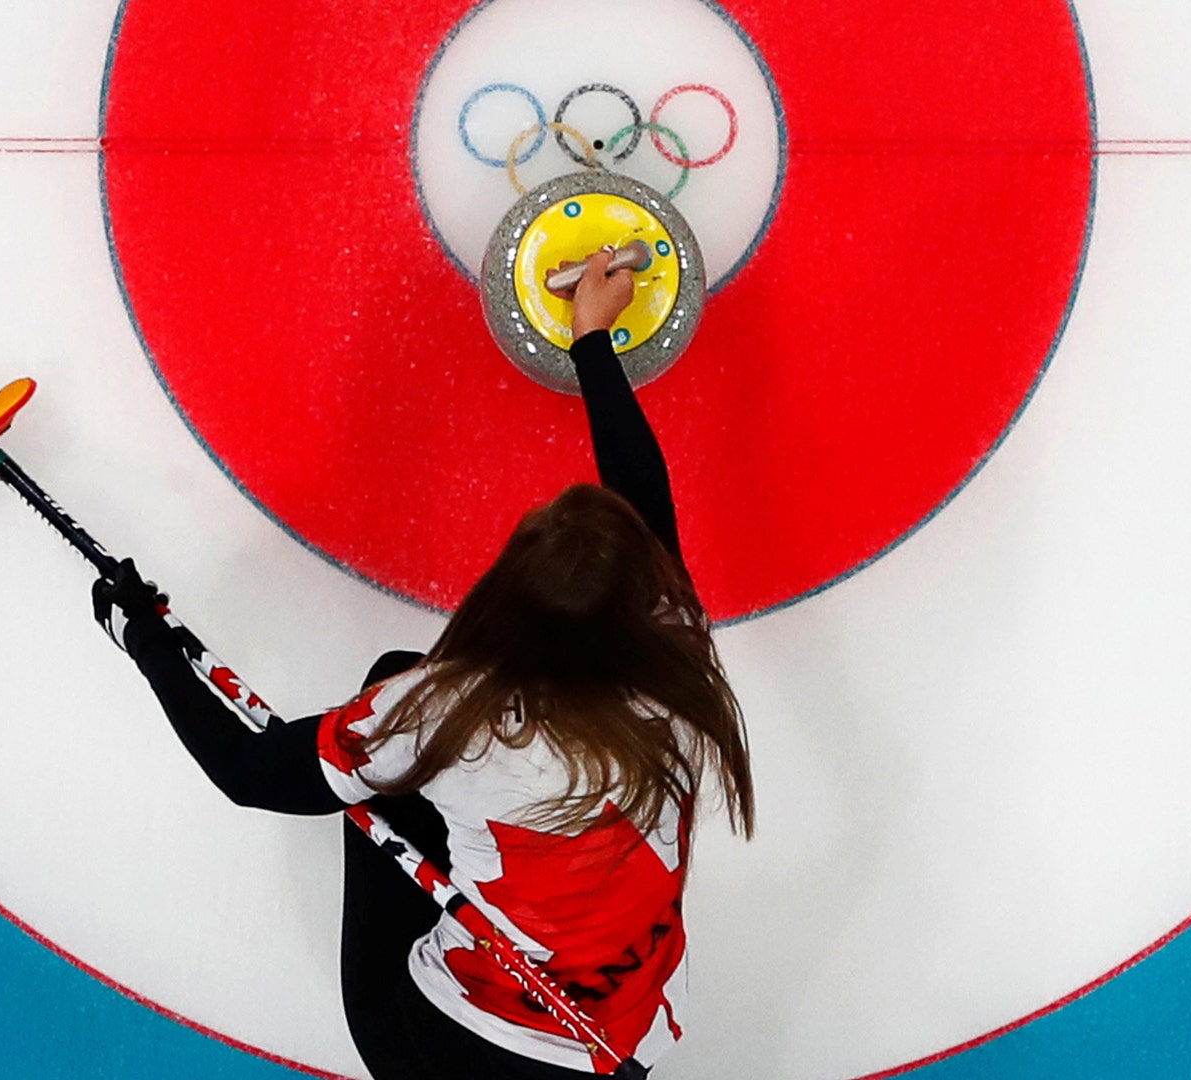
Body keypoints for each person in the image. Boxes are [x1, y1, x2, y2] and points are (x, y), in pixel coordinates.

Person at [91, 249, 754, 1078]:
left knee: (378, 743)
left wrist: (146, 643)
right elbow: (643, 492)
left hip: (446, 1048)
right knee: (398, 690)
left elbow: (249, 772)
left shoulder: (447, 713)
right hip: (620, 1041)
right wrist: (593, 340)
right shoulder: (676, 652)